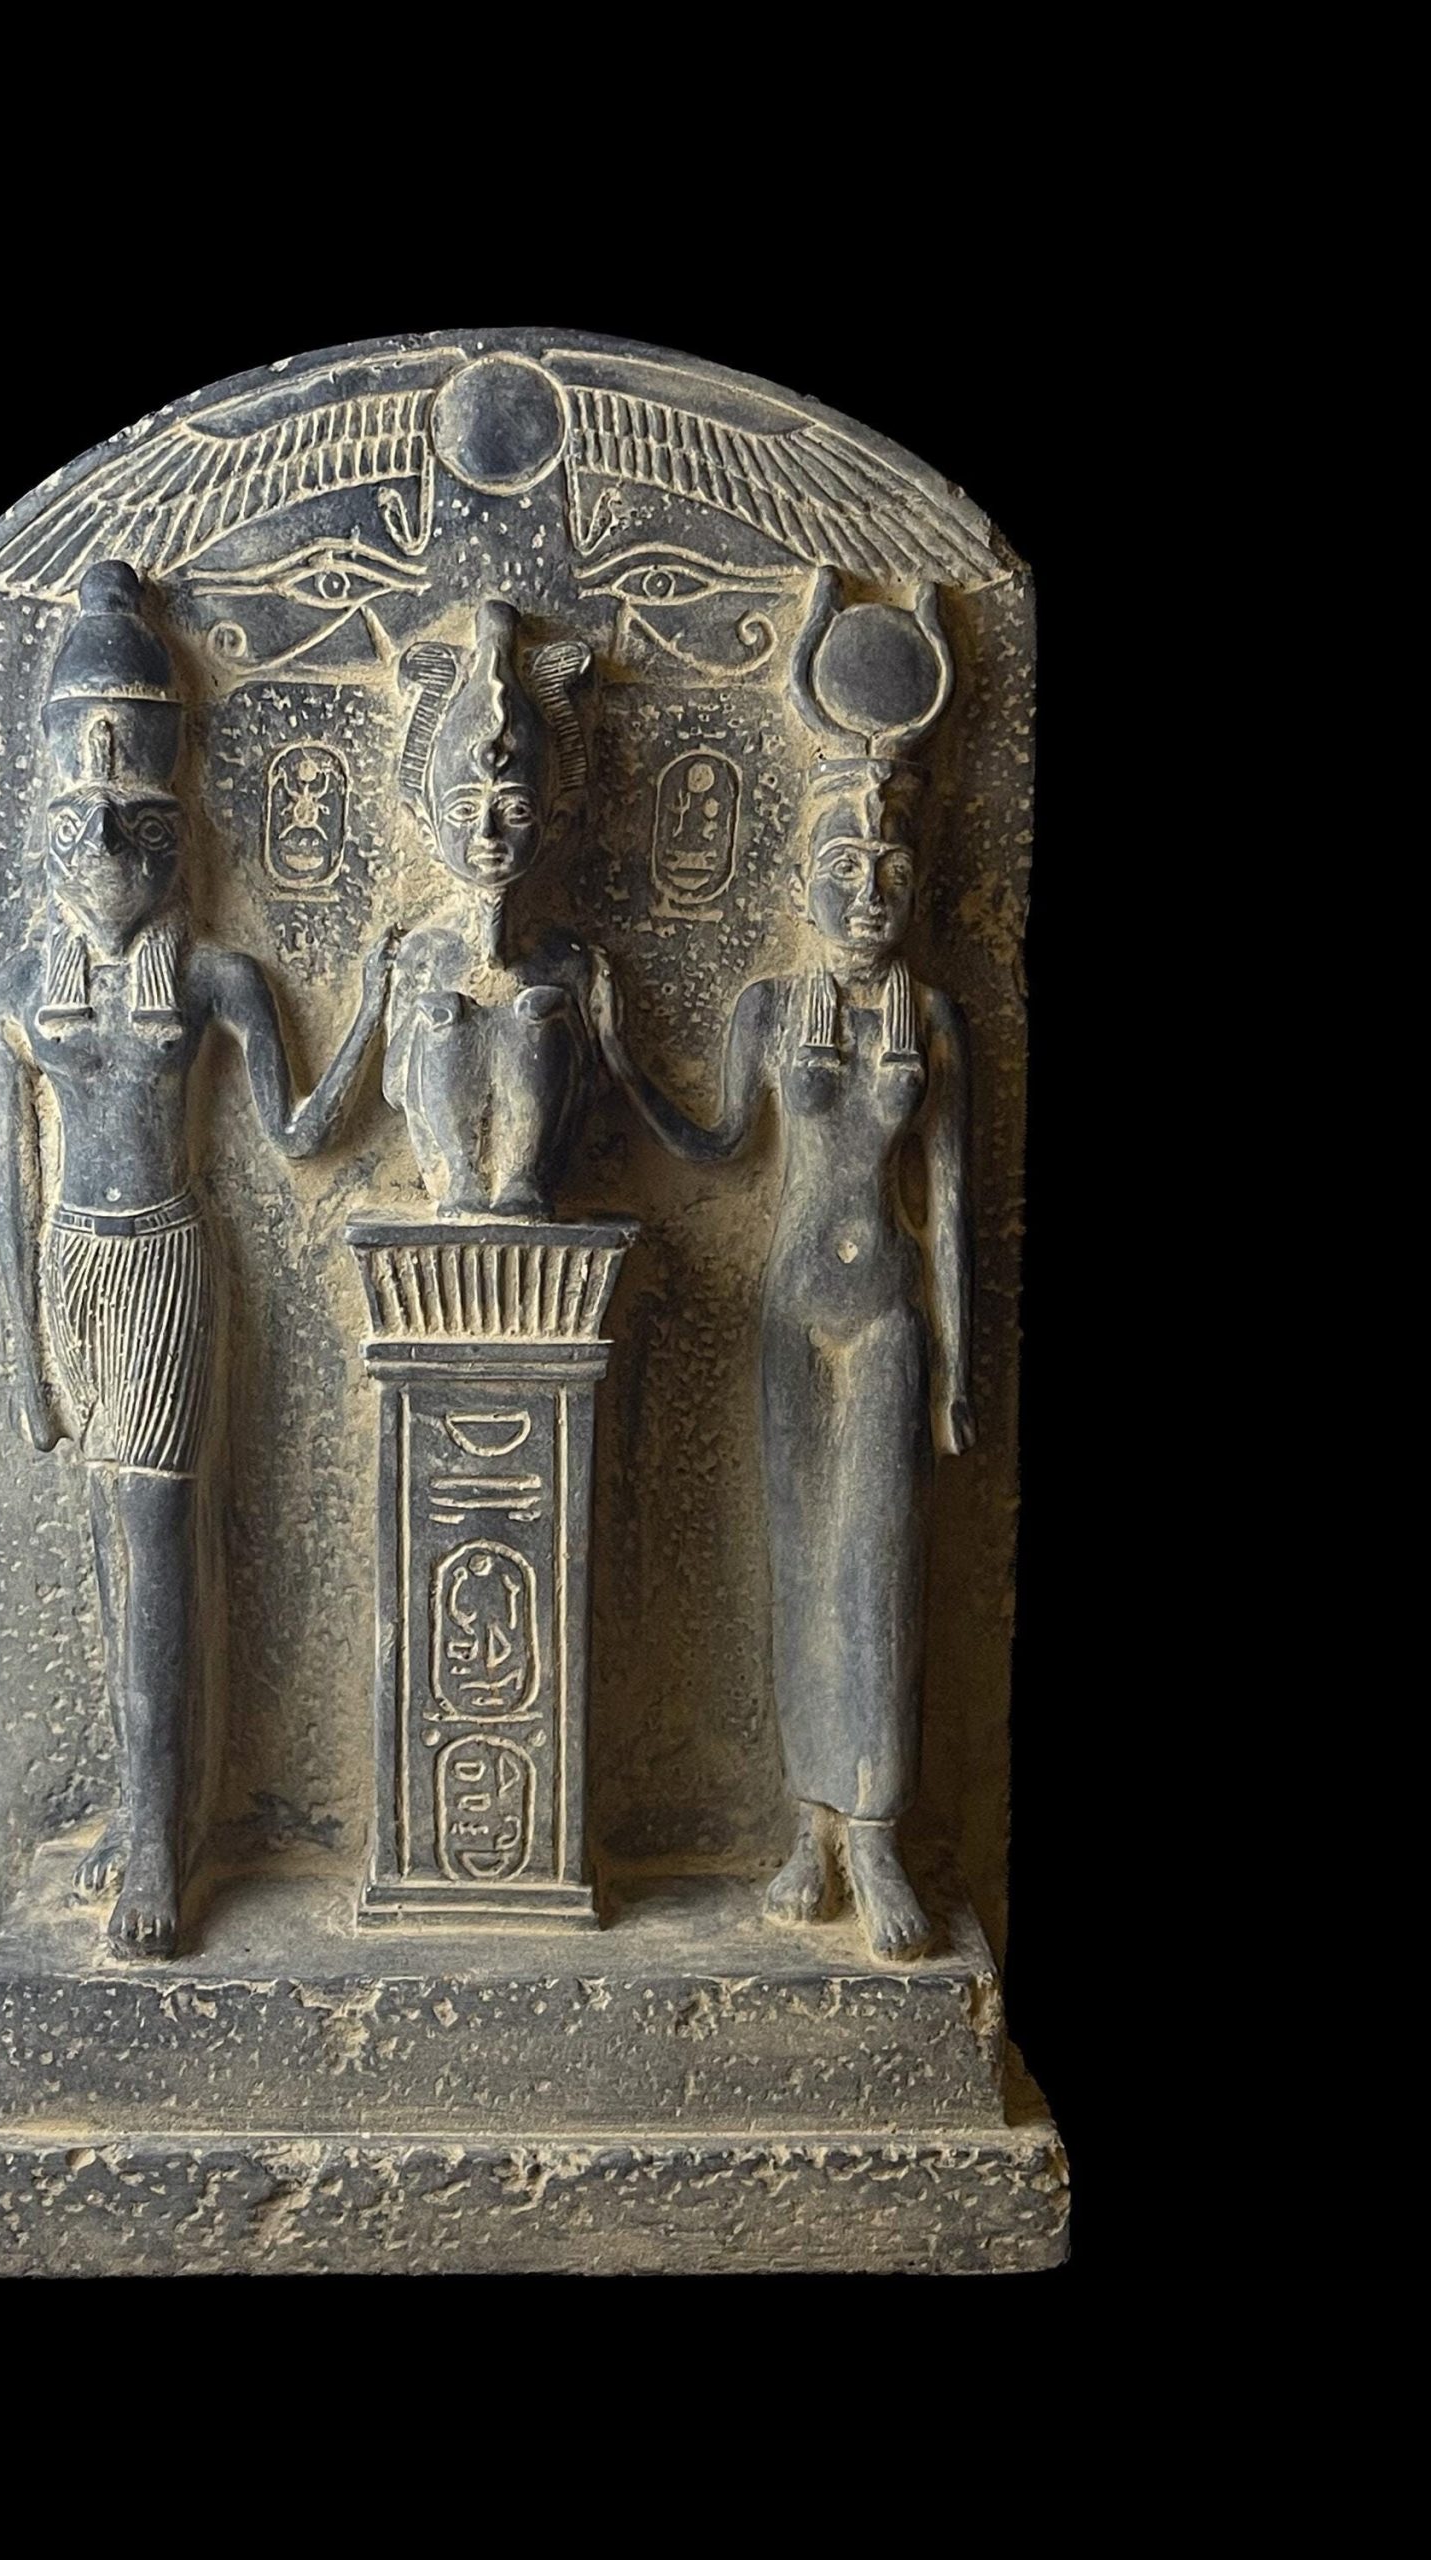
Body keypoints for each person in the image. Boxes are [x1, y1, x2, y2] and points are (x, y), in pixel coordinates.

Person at [0, 561, 394, 1956]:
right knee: (111, 1557)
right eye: (81, 817)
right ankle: (139, 1803)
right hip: (76, 1268)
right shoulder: (21, 986)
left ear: (180, 834)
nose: (106, 835)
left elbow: (299, 1131)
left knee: (158, 1543)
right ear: (50, 831)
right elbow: (10, 1179)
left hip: (166, 1263)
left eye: (136, 816)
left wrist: (374, 1009)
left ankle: (164, 1845)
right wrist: (26, 1363)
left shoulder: (219, 979)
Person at [592, 577, 971, 1960]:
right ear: (804, 879)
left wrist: (959, 1370)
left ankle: (876, 1835)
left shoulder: (931, 1017)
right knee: (804, 1565)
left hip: (889, 1315)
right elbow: (712, 1142)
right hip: (794, 1306)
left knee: (881, 1567)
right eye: (844, 870)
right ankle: (808, 1828)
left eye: (891, 874)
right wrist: (623, 1056)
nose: (868, 895)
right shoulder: (771, 1006)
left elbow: (949, 1199)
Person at [383, 600, 597, 1219]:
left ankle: (520, 1178)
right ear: (428, 823)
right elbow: (396, 1085)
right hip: (453, 1193)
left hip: (536, 1195)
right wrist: (413, 1016)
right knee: (445, 1017)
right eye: (463, 810)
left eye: (515, 810)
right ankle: (463, 1178)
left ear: (554, 821)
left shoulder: (566, 958)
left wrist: (589, 1029)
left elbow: (587, 1083)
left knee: (536, 1014)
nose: (486, 832)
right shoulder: (425, 953)